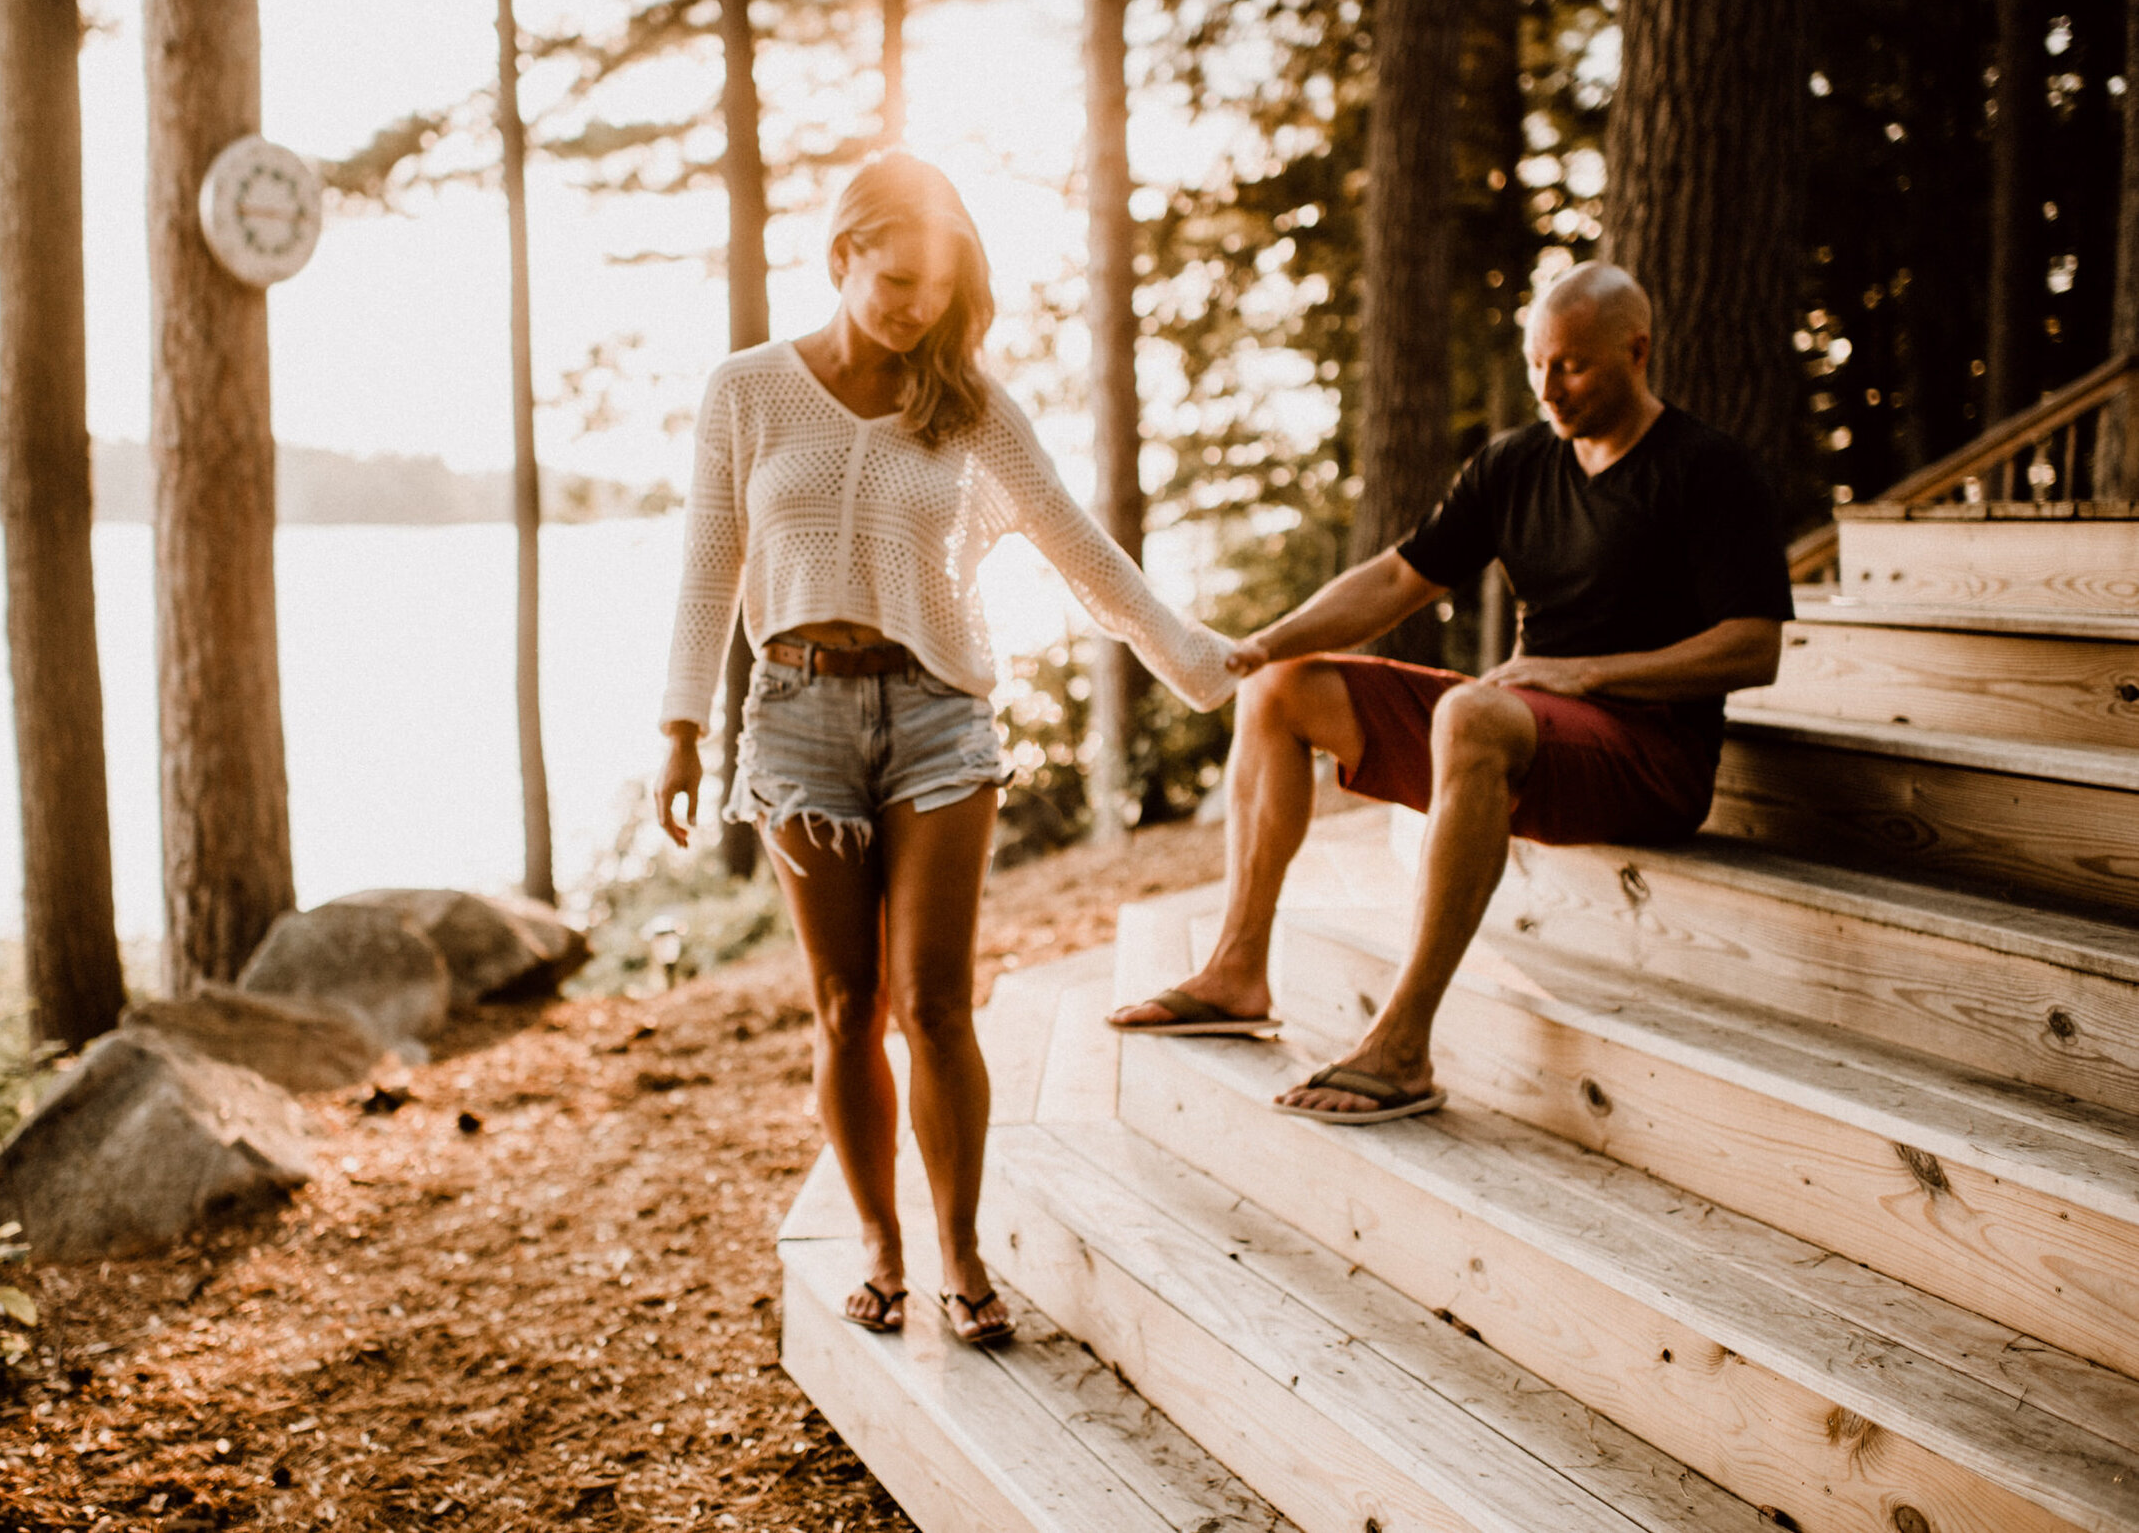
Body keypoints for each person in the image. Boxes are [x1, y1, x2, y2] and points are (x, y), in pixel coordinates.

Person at [653, 153, 1237, 1345]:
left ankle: (963, 1249)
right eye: (897, 277)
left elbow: (1083, 553)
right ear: (842, 254)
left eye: (939, 286)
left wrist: (1198, 659)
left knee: (933, 1001)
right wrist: (680, 729)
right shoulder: (747, 389)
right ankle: (879, 1242)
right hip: (796, 717)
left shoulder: (966, 401)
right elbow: (708, 566)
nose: (916, 304)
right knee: (843, 1002)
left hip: (937, 718)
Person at [1107, 260, 1793, 1122]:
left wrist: (1587, 674)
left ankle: (1403, 1042)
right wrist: (1264, 646)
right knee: (1283, 692)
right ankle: (1237, 969)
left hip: (1650, 755)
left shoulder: (1708, 469)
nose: (1548, 386)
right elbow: (1398, 580)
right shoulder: (1515, 464)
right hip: (1528, 723)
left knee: (1472, 709)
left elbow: (1753, 646)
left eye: (1572, 365)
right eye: (1537, 362)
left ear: (1638, 349)